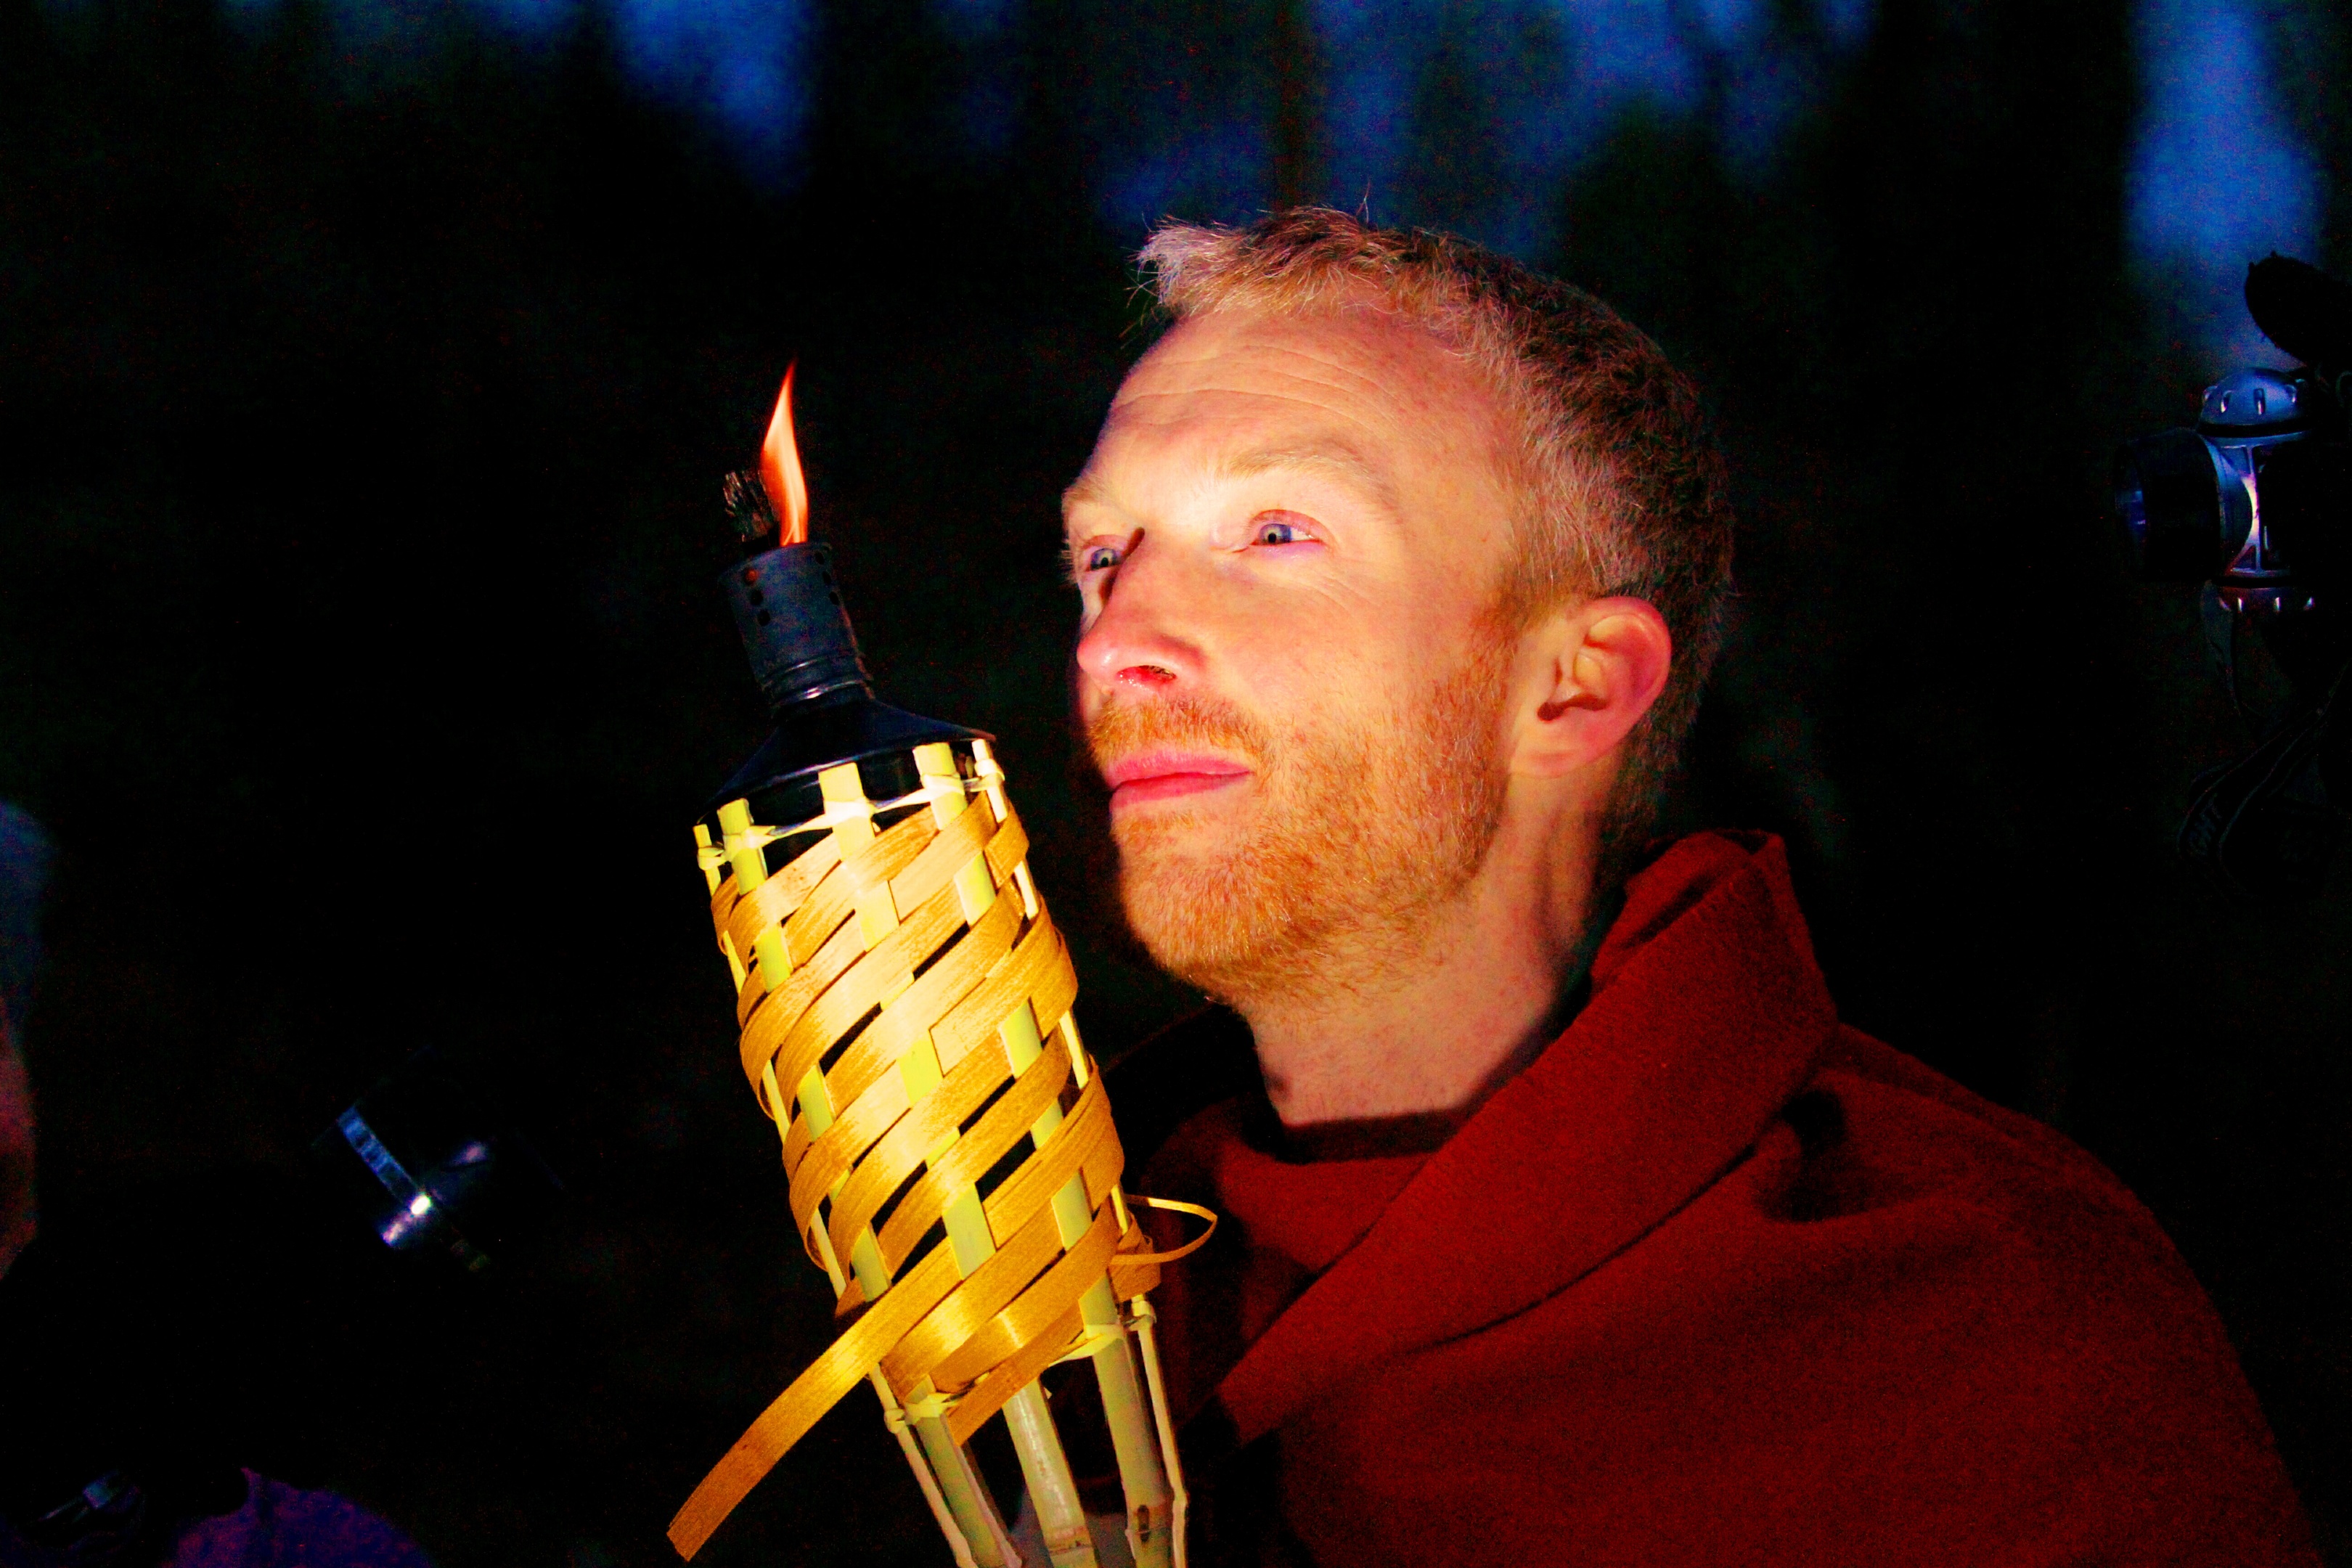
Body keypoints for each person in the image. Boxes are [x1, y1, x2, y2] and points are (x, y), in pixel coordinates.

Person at [1063, 209, 2318, 1567]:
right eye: (1100, 554)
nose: (1119, 638)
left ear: (1580, 684)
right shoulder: (1053, 1298)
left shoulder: (1981, 1325)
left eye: (1278, 532)